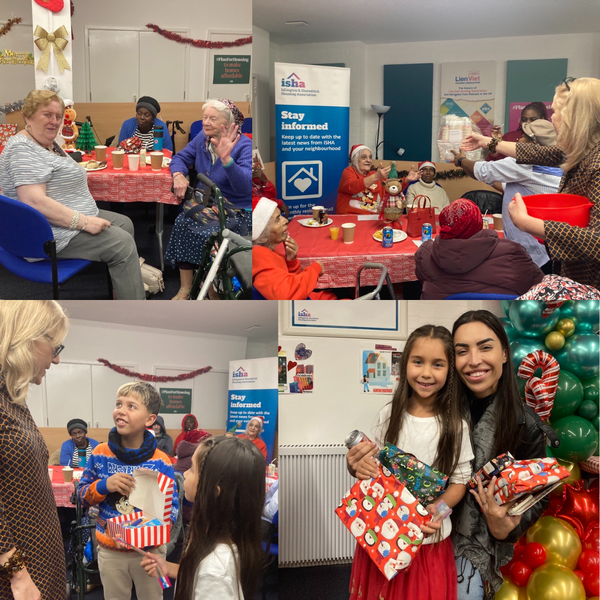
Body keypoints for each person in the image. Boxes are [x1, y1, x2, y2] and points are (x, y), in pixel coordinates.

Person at [346, 325, 474, 600]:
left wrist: (437, 511)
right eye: (418, 362)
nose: (426, 373)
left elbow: (461, 481)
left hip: (427, 542)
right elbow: (371, 468)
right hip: (380, 535)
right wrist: (360, 467)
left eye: (437, 364)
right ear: (405, 366)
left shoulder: (456, 426)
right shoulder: (389, 415)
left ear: (449, 371)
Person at [451, 310, 557, 600]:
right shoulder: (436, 411)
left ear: (504, 354)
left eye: (485, 347)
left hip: (473, 550)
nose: (474, 360)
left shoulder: (526, 424)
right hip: (426, 535)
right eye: (462, 351)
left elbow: (540, 497)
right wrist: (364, 463)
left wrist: (507, 526)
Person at [0, 90, 145, 299]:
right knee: (121, 244)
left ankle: (123, 290)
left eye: (58, 116)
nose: (55, 121)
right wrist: (85, 222)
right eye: (47, 115)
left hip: (60, 222)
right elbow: (34, 201)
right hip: (44, 234)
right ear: (28, 116)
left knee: (125, 223)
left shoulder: (45, 142)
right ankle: (134, 317)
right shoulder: (22, 149)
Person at [461, 77, 600, 290]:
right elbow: (543, 153)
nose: (551, 120)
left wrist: (528, 224)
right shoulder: (584, 151)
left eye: (555, 112)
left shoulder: (597, 163)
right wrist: (489, 142)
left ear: (576, 117)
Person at [78, 381, 179, 600]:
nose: (121, 411)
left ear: (150, 419)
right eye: (118, 404)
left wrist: (151, 536)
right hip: (110, 551)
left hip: (150, 552)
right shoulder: (100, 453)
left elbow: (171, 509)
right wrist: (104, 485)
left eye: (131, 406)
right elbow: (81, 497)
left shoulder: (161, 461)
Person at [141, 436, 266, 600]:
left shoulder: (215, 572)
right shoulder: (214, 536)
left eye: (192, 469)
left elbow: (207, 575)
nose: (185, 474)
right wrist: (168, 568)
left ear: (214, 493)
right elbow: (197, 572)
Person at [0, 301, 68, 600]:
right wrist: (17, 574)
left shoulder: (13, 398)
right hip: (17, 575)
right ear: (27, 338)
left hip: (39, 558)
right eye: (55, 348)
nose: (55, 360)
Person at [165, 99, 252, 299]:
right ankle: (186, 287)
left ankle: (213, 289)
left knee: (213, 236)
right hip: (209, 205)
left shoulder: (244, 145)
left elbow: (245, 187)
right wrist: (178, 174)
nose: (206, 122)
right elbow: (180, 158)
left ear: (229, 123)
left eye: (212, 118)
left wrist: (227, 160)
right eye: (204, 117)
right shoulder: (201, 139)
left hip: (237, 210)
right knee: (182, 222)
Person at [452, 119, 562, 270]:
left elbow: (479, 171)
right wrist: (491, 177)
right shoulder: (555, 164)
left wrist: (460, 160)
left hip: (535, 254)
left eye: (523, 136)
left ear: (533, 145)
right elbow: (507, 186)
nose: (519, 139)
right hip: (550, 248)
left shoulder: (525, 164)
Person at [415, 198, 544, 299]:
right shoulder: (513, 252)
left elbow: (422, 282)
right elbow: (539, 289)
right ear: (478, 221)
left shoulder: (425, 253)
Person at [252, 197, 337, 300]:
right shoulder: (258, 255)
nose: (285, 221)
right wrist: (314, 270)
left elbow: (287, 281)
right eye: (278, 219)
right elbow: (288, 294)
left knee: (330, 296)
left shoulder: (269, 249)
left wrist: (291, 262)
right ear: (261, 232)